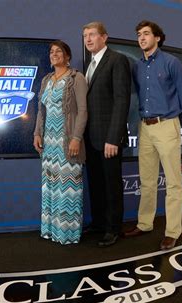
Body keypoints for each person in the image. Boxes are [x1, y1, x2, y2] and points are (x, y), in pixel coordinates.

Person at [124, 20, 182, 250]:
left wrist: (174, 123)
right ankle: (145, 223)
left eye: (146, 34)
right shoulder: (137, 67)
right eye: (139, 35)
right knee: (147, 180)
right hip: (145, 127)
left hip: (167, 124)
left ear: (158, 38)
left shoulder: (171, 62)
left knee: (173, 183)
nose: (141, 38)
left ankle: (173, 231)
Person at [33, 40, 88, 245]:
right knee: (50, 186)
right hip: (49, 142)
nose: (54, 54)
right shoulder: (47, 80)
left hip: (67, 142)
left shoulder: (77, 78)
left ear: (67, 56)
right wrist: (37, 133)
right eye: (52, 52)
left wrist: (76, 138)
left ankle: (67, 234)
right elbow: (41, 110)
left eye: (59, 51)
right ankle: (50, 231)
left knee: (68, 187)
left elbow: (83, 111)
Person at [82, 21, 131, 247]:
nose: (88, 39)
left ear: (104, 37)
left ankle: (113, 229)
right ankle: (100, 223)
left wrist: (114, 137)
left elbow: (122, 101)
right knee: (96, 184)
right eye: (85, 36)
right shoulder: (87, 64)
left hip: (109, 138)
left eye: (92, 35)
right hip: (90, 138)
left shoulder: (117, 60)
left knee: (111, 185)